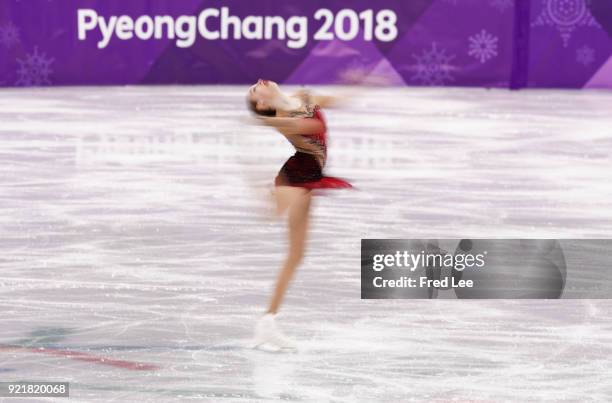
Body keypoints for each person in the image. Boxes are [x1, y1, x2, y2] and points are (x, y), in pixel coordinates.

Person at [246, 79, 351, 350]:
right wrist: (269, 121)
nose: (259, 83)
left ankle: (267, 322)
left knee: (296, 255)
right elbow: (311, 126)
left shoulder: (303, 96)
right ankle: (266, 196)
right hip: (296, 174)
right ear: (262, 103)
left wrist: (360, 84)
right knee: (273, 214)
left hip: (312, 175)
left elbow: (335, 103)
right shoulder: (281, 115)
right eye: (256, 90)